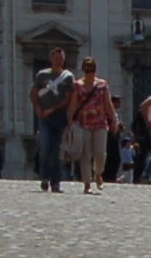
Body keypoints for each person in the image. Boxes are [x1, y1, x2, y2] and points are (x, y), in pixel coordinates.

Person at [67, 57, 119, 194]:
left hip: (100, 123)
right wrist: (70, 120)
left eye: (92, 70)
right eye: (87, 70)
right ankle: (87, 183)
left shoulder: (102, 85)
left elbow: (107, 103)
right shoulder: (77, 85)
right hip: (83, 123)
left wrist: (113, 120)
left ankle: (98, 173)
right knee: (86, 154)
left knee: (100, 153)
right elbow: (73, 103)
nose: (90, 73)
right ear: (83, 70)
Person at [28, 46, 76, 193]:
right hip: (44, 118)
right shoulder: (42, 75)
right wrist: (37, 107)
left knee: (57, 151)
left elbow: (68, 99)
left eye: (61, 58)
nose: (59, 61)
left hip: (59, 117)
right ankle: (44, 177)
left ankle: (56, 182)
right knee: (45, 146)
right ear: (51, 59)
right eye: (56, 58)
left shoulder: (68, 77)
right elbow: (34, 93)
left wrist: (54, 109)